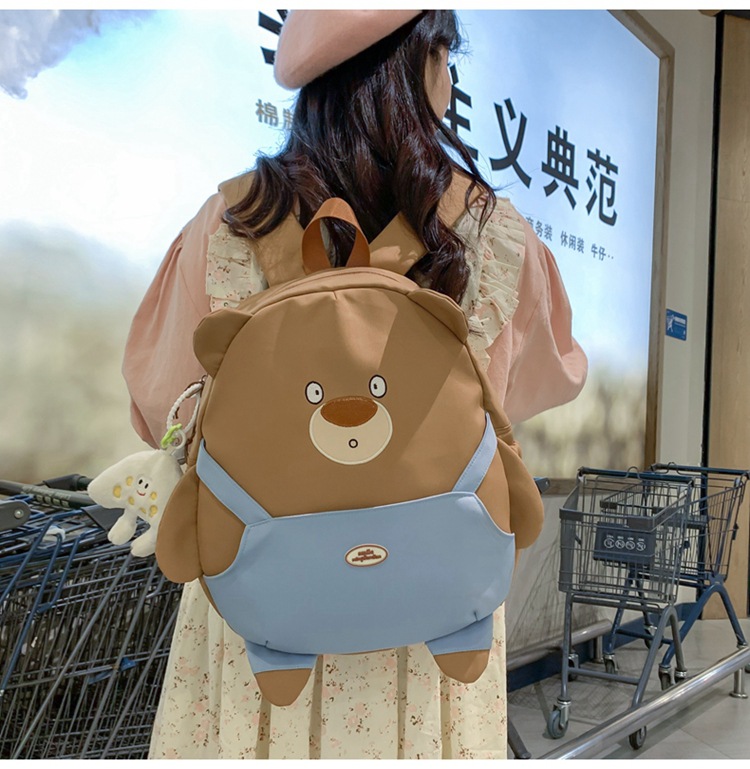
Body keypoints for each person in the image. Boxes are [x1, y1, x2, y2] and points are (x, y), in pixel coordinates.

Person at [123, 10, 587, 759]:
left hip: (262, 612)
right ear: (424, 67)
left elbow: (161, 411)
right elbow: (533, 390)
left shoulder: (229, 223)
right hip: (437, 619)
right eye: (446, 59)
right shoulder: (494, 237)